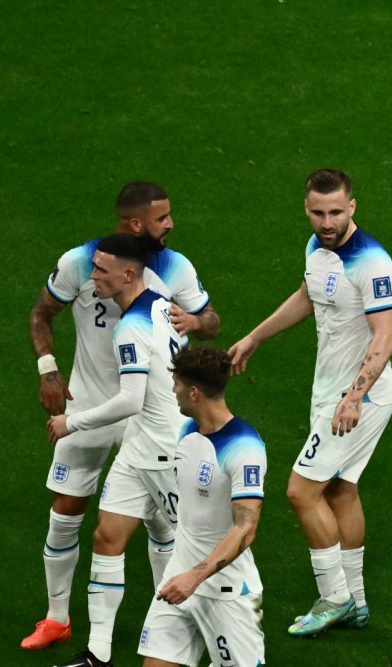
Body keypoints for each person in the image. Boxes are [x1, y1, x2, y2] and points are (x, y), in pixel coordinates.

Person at [25, 182, 218, 653]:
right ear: (136, 224)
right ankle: (57, 618)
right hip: (91, 401)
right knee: (67, 510)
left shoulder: (175, 267)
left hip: (150, 413)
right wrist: (48, 370)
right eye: (162, 218)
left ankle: (171, 629)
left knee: (163, 526)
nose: (170, 224)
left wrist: (195, 322)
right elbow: (40, 314)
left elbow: (210, 319)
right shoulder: (83, 262)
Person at [229, 169, 392, 635]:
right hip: (330, 392)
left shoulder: (372, 262)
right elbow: (309, 295)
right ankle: (358, 604)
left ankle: (335, 597)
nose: (327, 221)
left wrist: (354, 397)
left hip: (360, 397)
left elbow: (387, 335)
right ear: (306, 208)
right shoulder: (317, 249)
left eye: (336, 212)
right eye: (319, 212)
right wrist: (255, 337)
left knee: (301, 491)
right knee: (340, 490)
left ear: (353, 207)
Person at [46, 233, 190, 667]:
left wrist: (69, 422)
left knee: (196, 549)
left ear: (129, 274)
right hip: (138, 448)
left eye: (101, 271)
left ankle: (199, 639)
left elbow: (130, 400)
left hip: (166, 450)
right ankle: (99, 655)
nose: (92, 278)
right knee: (106, 538)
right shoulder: (163, 308)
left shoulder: (130, 326)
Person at [138, 345, 266, 667]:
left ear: (194, 393)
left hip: (226, 593)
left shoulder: (245, 448)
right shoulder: (187, 431)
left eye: (177, 384)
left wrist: (194, 577)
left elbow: (246, 528)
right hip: (177, 583)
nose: (173, 390)